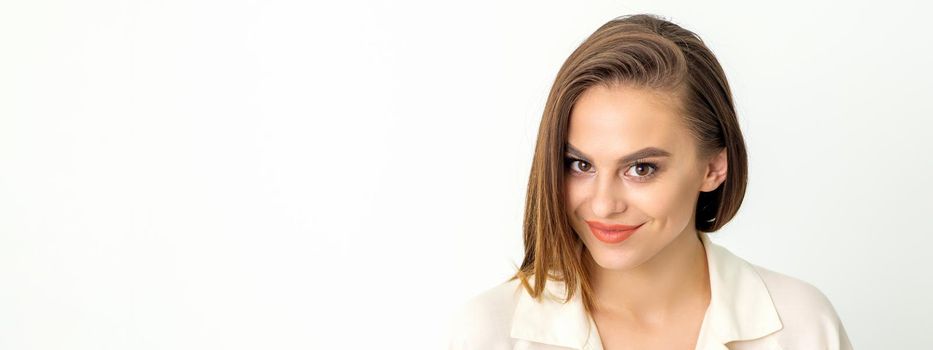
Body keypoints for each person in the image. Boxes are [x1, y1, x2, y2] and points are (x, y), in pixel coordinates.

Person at [447, 13, 853, 350]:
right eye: (580, 165)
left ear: (713, 168)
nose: (603, 204)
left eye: (641, 168)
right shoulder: (487, 334)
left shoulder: (802, 326)